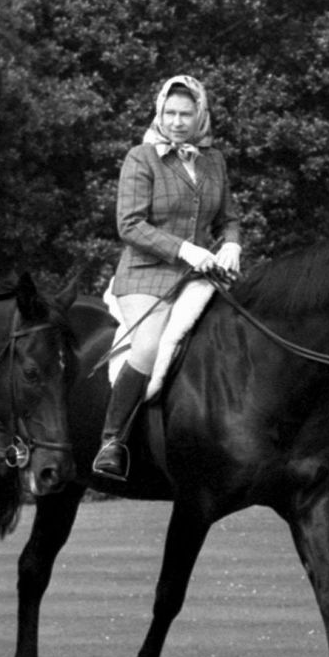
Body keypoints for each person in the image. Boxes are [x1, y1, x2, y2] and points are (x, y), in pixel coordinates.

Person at [93, 74, 241, 480]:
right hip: (145, 275)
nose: (177, 121)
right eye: (170, 113)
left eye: (186, 113)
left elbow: (229, 217)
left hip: (200, 274)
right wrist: (184, 248)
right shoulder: (141, 158)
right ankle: (112, 441)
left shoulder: (214, 161)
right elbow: (130, 225)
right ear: (160, 112)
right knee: (150, 344)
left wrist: (231, 244)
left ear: (200, 115)